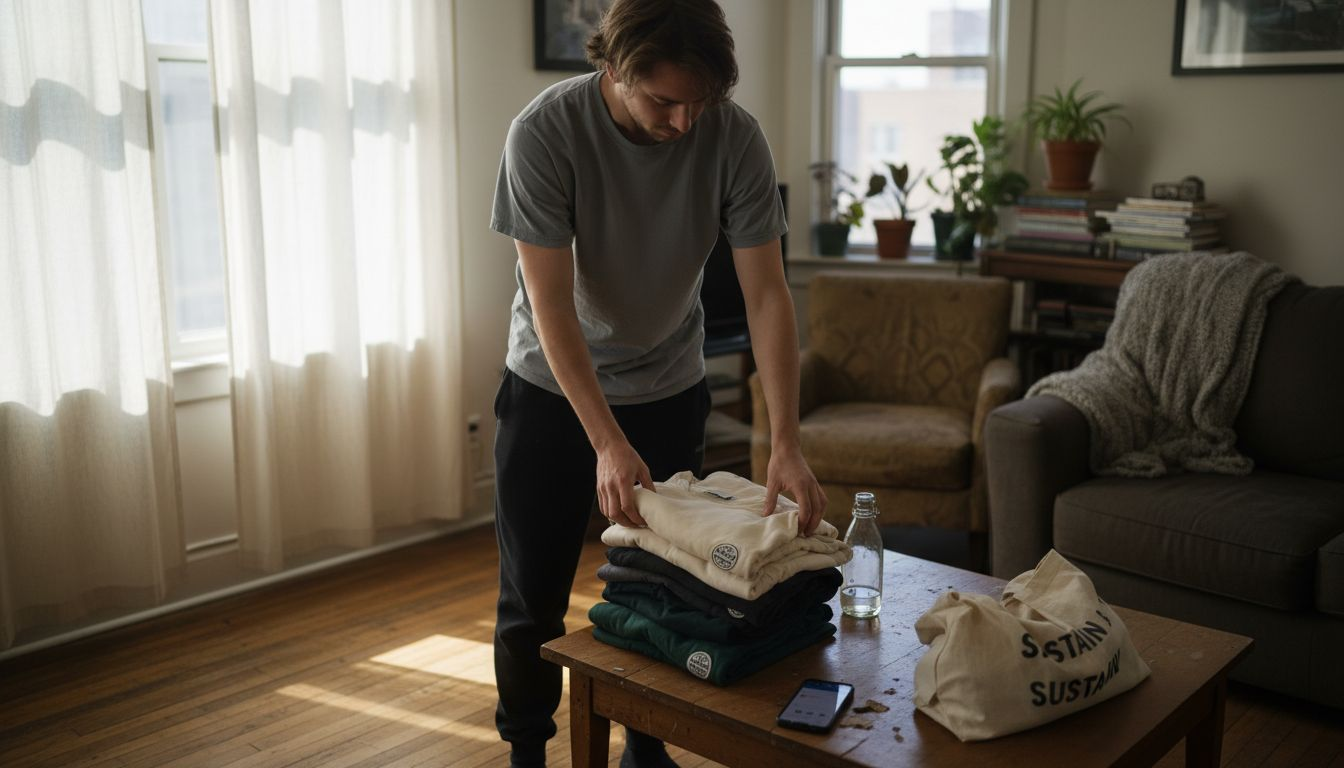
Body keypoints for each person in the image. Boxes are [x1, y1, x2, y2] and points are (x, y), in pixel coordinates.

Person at [489, 1, 824, 765]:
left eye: (699, 100)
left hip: (671, 386)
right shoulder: (543, 133)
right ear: (613, 68)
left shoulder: (732, 136)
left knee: (668, 588)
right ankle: (527, 750)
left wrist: (786, 442)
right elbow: (550, 304)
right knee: (531, 598)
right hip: (550, 389)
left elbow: (769, 295)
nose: (683, 121)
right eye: (664, 101)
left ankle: (647, 746)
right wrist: (606, 440)